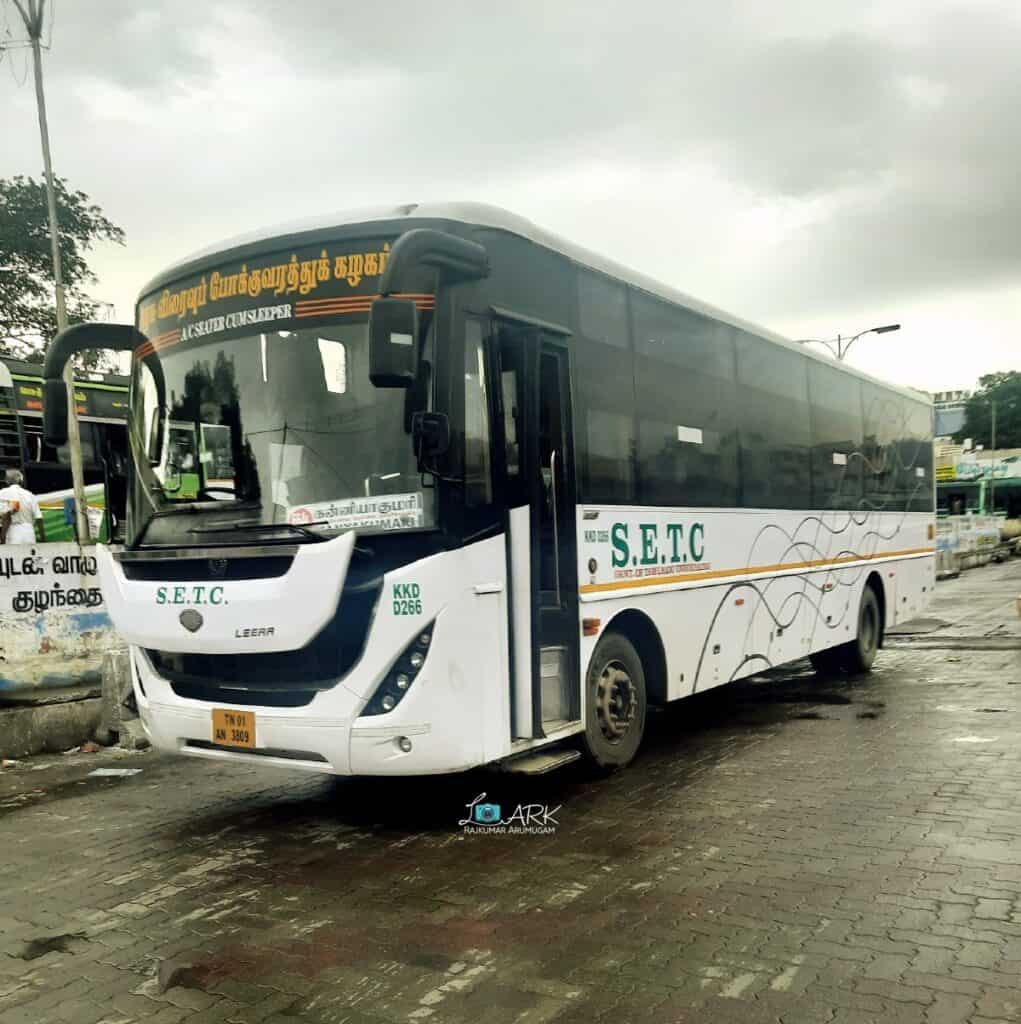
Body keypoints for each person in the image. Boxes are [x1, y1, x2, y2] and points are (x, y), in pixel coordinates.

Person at [0, 469, 45, 545]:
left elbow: (7, 516)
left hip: (13, 532)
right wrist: (43, 538)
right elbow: (39, 518)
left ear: (7, 481)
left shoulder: (2, 493)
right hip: (29, 532)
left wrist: (2, 536)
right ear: (21, 481)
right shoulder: (30, 495)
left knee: (13, 556)